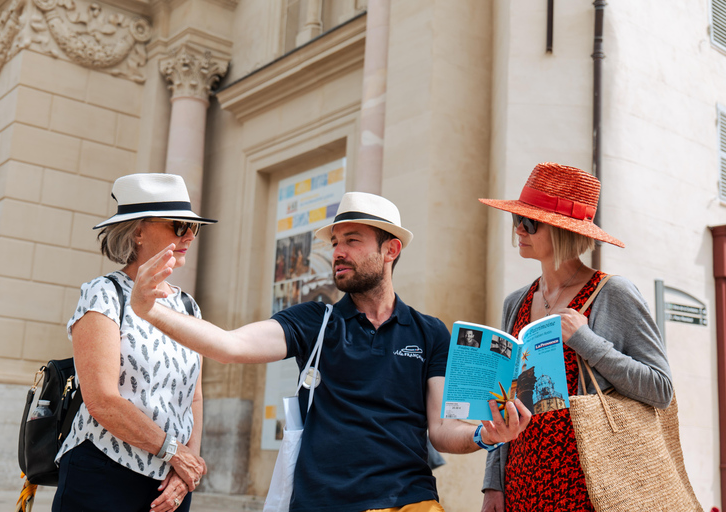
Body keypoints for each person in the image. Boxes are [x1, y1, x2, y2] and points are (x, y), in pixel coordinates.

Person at [130, 191, 532, 512]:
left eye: (352, 241)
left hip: (411, 500)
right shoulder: (314, 321)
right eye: (336, 242)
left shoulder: (428, 331)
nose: (338, 252)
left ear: (390, 251)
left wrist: (485, 434)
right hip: (324, 501)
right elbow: (231, 346)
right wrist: (151, 311)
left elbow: (442, 430)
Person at [477, 163, 674, 512]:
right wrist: (494, 484)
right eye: (516, 220)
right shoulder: (516, 302)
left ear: (562, 231)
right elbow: (502, 399)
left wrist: (586, 340)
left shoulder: (613, 293)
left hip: (590, 485)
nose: (519, 230)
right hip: (523, 481)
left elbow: (660, 389)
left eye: (530, 222)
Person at [52, 173, 215, 512]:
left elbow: (194, 397)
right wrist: (176, 452)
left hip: (171, 483)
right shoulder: (104, 293)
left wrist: (187, 469)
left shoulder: (187, 305)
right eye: (177, 225)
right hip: (102, 473)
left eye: (192, 227)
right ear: (138, 231)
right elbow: (102, 401)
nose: (188, 235)